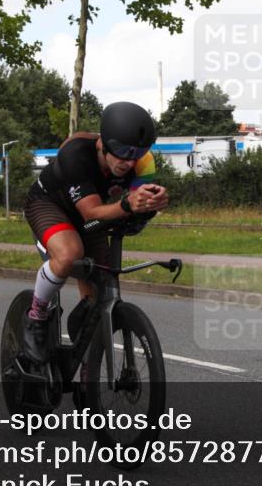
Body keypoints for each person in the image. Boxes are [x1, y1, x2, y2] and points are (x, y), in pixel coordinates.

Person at [21, 101, 169, 363]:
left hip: (91, 212)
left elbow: (134, 207)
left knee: (102, 281)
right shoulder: (76, 154)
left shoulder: (143, 163)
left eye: (137, 154)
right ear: (103, 143)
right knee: (69, 255)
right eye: (121, 152)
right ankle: (36, 316)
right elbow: (92, 212)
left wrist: (149, 205)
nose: (128, 161)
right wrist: (127, 205)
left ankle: (84, 356)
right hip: (49, 204)